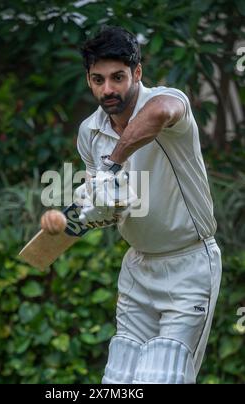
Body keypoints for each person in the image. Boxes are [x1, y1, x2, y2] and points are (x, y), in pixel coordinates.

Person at [76, 26, 222, 384]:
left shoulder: (167, 101)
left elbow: (160, 112)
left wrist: (113, 161)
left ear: (137, 73)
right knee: (119, 381)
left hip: (189, 265)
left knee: (162, 377)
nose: (107, 89)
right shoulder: (89, 131)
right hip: (138, 269)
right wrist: (85, 212)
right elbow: (107, 206)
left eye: (118, 77)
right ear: (89, 79)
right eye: (98, 79)